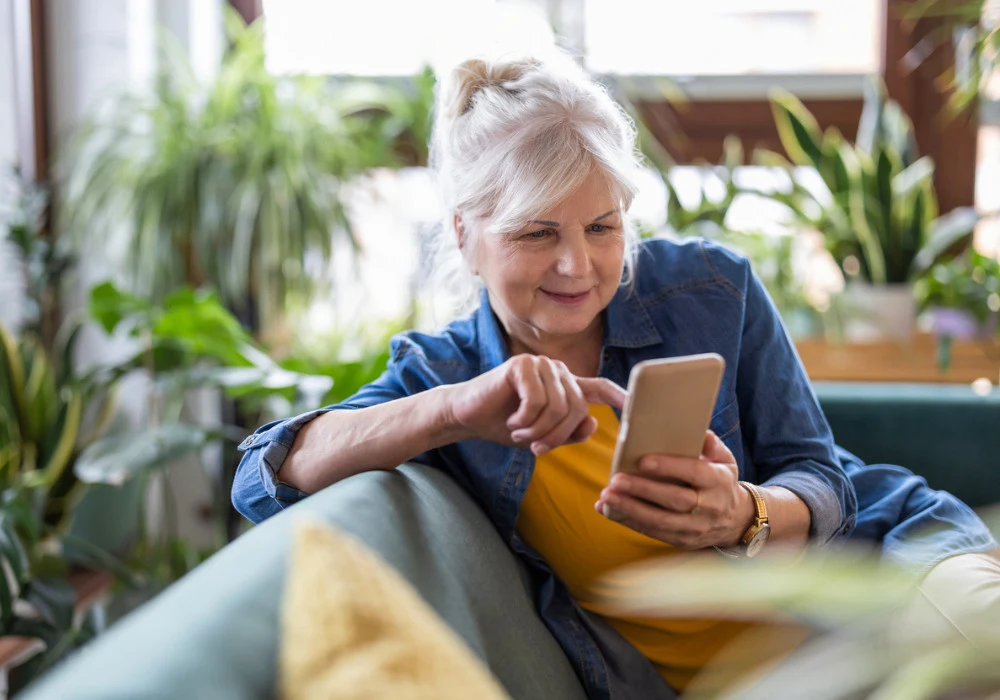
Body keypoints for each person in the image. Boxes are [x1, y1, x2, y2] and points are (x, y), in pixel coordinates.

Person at [232, 52, 997, 698]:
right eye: (538, 232)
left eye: (603, 226)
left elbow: (825, 477)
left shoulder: (708, 290)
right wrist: (458, 409)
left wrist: (744, 515)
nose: (580, 265)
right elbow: (263, 477)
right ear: (466, 236)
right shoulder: (451, 377)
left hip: (885, 569)